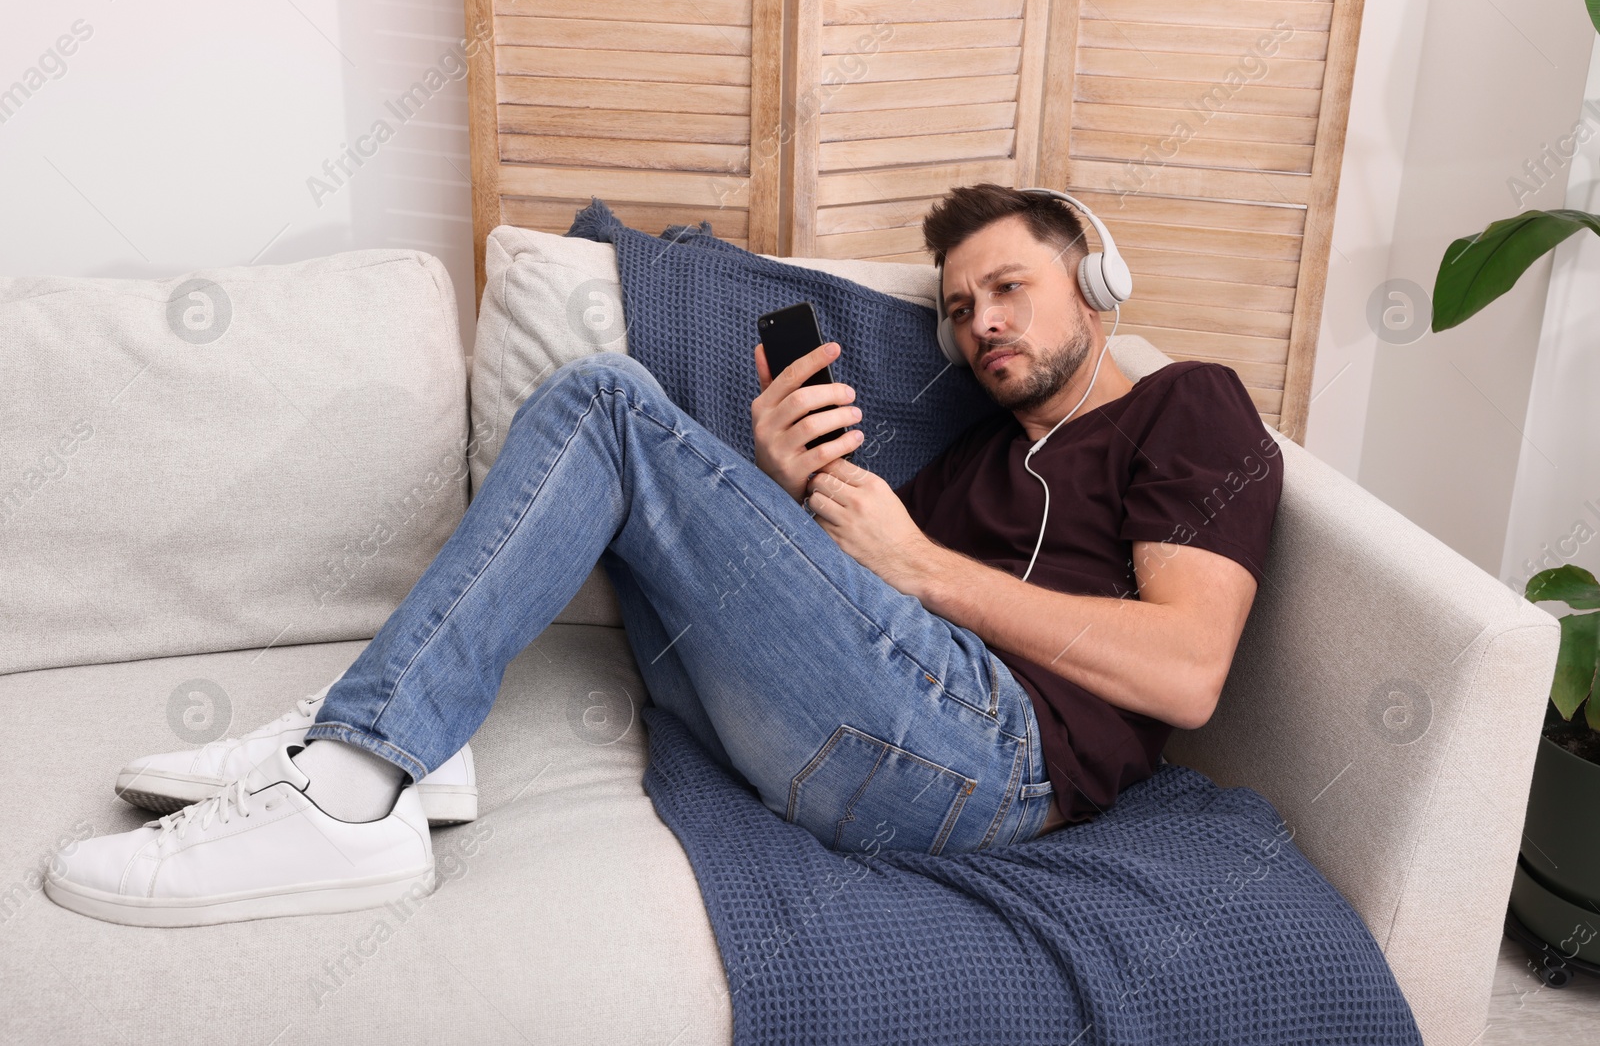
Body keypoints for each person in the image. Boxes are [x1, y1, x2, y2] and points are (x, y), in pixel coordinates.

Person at [45, 184, 1282, 927]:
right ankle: (391, 736)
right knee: (643, 483)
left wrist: (919, 567)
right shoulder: (966, 463)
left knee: (603, 400)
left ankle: (354, 781)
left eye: (1007, 288)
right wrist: (781, 494)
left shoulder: (1190, 409)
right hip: (869, 728)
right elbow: (851, 624)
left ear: (1095, 273)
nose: (981, 325)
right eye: (960, 308)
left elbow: (1186, 671)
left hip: (991, 763)